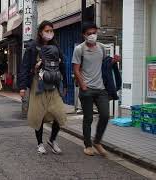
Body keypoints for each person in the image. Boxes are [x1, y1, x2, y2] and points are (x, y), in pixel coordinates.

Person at [18, 21, 67, 155]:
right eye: (47, 30)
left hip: (53, 85)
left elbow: (63, 66)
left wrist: (66, 84)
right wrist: (22, 87)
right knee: (37, 114)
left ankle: (52, 140)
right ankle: (40, 143)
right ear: (40, 32)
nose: (49, 33)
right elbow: (24, 67)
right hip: (37, 84)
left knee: (60, 113)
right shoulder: (32, 47)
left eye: (51, 30)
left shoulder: (55, 46)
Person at [72, 22, 120, 157]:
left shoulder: (101, 48)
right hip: (86, 89)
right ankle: (87, 145)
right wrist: (83, 85)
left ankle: (97, 141)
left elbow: (105, 65)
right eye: (89, 34)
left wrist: (114, 61)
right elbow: (75, 69)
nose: (92, 35)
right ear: (84, 35)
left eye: (94, 33)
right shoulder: (79, 49)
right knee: (88, 118)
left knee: (105, 115)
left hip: (101, 89)